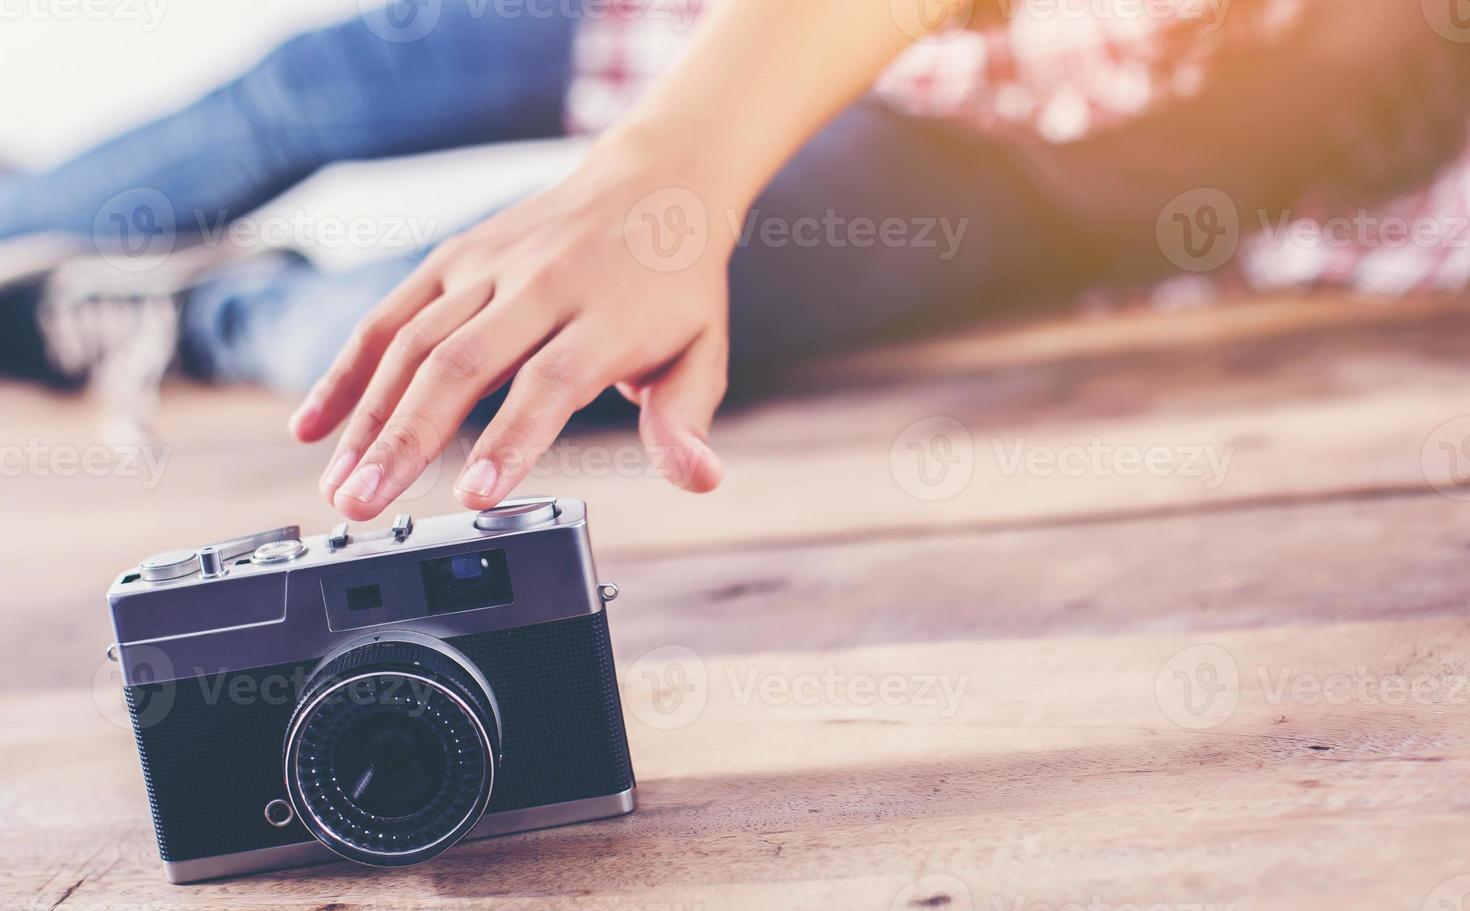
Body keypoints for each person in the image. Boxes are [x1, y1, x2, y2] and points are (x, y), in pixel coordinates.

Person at [0, 0, 1463, 514]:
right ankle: (37, 221)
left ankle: (153, 317)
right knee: (325, 84)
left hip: (1037, 167)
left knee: (509, 360)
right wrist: (671, 170)